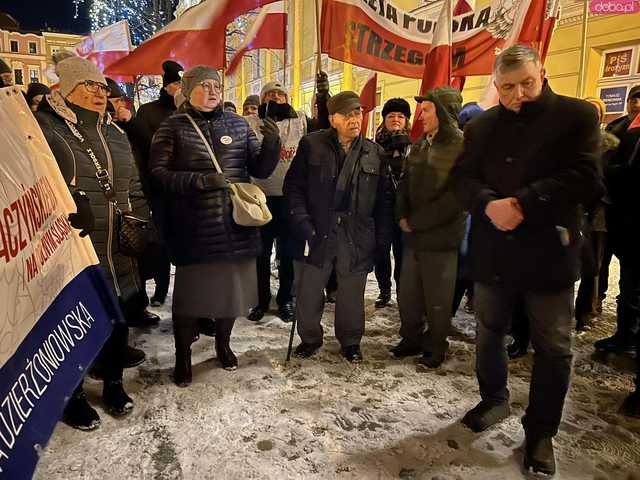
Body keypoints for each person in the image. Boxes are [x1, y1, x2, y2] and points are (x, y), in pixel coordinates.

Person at [453, 45, 602, 475]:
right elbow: (462, 178)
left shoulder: (576, 116)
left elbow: (586, 177)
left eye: (527, 83)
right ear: (496, 86)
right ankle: (494, 398)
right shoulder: (482, 126)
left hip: (548, 250)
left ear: (543, 74)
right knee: (489, 331)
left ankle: (541, 432)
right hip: (494, 248)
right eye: (507, 87)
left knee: (554, 346)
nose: (518, 94)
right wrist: (487, 203)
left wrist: (523, 202)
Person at [149, 65, 281, 386]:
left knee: (230, 297)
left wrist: (273, 144)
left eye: (217, 87)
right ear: (188, 89)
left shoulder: (237, 124)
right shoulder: (173, 127)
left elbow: (260, 169)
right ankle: (183, 355)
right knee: (190, 299)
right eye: (205, 86)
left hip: (237, 226)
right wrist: (201, 181)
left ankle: (223, 343)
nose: (212, 92)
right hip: (196, 230)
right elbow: (157, 173)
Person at [35, 55, 145, 430]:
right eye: (89, 86)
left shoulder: (115, 132)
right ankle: (73, 395)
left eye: (102, 86)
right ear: (66, 89)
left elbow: (133, 186)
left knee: (117, 319)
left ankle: (113, 382)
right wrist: (62, 208)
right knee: (76, 324)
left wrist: (143, 222)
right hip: (73, 244)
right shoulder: (46, 129)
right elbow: (32, 187)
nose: (100, 93)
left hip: (118, 246)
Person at [284, 91, 394, 362]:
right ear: (333, 119)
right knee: (309, 292)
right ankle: (309, 338)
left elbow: (385, 200)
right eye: (347, 114)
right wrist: (302, 222)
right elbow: (293, 188)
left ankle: (351, 341)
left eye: (358, 113)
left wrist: (382, 239)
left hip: (357, 235)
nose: (355, 119)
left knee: (352, 295)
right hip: (317, 231)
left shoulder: (374, 152)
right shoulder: (312, 145)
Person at [245, 74, 330, 323]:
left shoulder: (301, 120)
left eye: (280, 94)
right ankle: (259, 299)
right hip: (258, 198)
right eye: (270, 94)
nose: (275, 98)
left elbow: (325, 127)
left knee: (288, 253)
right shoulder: (250, 122)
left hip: (291, 198)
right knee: (260, 253)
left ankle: (285, 299)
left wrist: (323, 98)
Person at [391, 87, 465, 367]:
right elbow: (405, 183)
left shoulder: (459, 145)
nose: (421, 115)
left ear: (443, 113)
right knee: (408, 293)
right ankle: (410, 338)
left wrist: (416, 221)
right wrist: (401, 214)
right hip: (413, 235)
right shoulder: (420, 143)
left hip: (441, 237)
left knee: (437, 298)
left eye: (427, 110)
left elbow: (456, 197)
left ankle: (436, 345)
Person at [104, 77, 163, 329]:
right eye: (112, 101)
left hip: (137, 202)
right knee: (115, 263)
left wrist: (131, 123)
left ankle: (138, 308)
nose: (115, 106)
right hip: (108, 205)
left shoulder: (130, 126)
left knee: (137, 260)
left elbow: (151, 148)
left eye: (117, 100)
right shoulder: (96, 127)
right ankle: (116, 318)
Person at [128, 61, 182, 309]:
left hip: (184, 190)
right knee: (160, 242)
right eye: (177, 84)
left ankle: (185, 292)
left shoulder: (188, 112)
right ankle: (161, 290)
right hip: (159, 190)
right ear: (168, 86)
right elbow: (142, 152)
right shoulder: (148, 112)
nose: (181, 88)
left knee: (184, 242)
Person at [594, 102, 640, 355]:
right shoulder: (622, 127)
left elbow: (630, 172)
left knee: (634, 286)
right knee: (629, 283)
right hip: (624, 218)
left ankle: (629, 337)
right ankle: (625, 334)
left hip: (631, 217)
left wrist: (609, 170)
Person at [574, 97, 620, 332]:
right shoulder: (566, 142)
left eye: (595, 111)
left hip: (598, 214)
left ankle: (585, 311)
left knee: (593, 266)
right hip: (572, 211)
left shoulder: (609, 145)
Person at [598, 85, 640, 306]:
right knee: (602, 262)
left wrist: (611, 171)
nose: (637, 104)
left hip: (632, 212)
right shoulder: (616, 127)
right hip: (610, 208)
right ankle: (599, 301)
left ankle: (629, 331)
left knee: (632, 274)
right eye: (634, 99)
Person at [372, 98, 412, 309]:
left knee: (402, 253)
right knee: (381, 251)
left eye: (400, 116)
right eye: (391, 116)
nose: (396, 119)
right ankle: (384, 289)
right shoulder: (375, 147)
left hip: (404, 210)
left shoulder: (414, 147)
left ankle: (401, 291)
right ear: (384, 120)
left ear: (406, 120)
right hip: (381, 208)